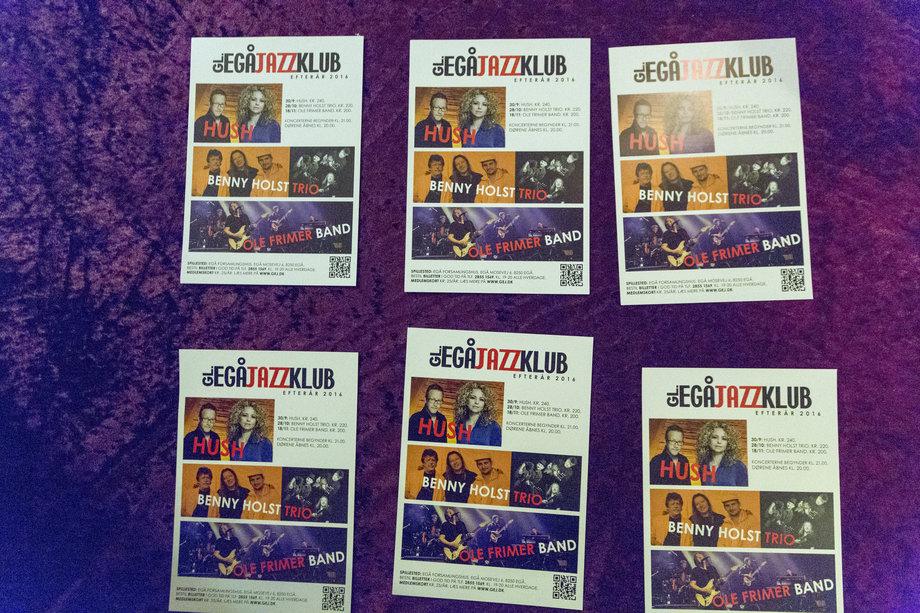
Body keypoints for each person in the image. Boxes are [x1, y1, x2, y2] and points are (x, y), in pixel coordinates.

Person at [696, 421, 748, 486]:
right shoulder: (702, 465)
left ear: (729, 443)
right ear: (707, 440)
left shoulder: (739, 467)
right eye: (715, 437)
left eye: (724, 438)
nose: (719, 442)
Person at [453, 381, 501, 446]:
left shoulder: (494, 427)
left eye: (481, 399)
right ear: (465, 400)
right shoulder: (459, 424)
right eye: (473, 398)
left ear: (486, 403)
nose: (476, 402)